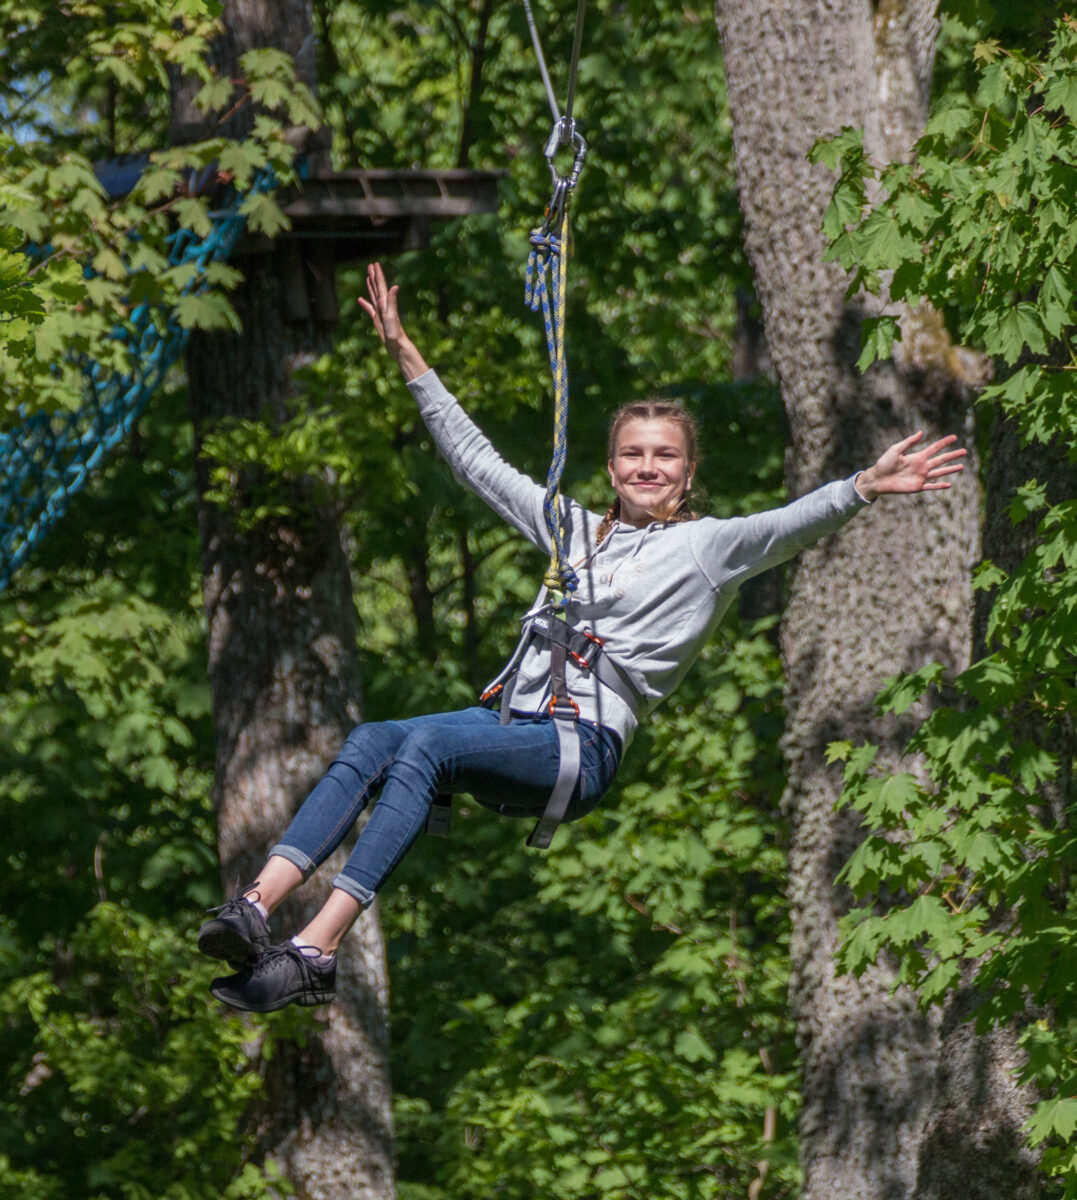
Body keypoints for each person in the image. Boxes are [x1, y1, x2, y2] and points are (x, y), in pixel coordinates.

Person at [198, 262, 966, 1013]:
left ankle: (317, 950)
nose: (646, 467)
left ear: (688, 472)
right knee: (373, 740)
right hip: (510, 722)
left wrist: (861, 487)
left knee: (424, 748)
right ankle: (257, 907)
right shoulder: (571, 531)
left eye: (664, 456)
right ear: (610, 466)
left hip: (578, 745)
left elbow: (784, 528)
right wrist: (407, 356)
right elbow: (475, 462)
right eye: (633, 454)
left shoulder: (704, 548)